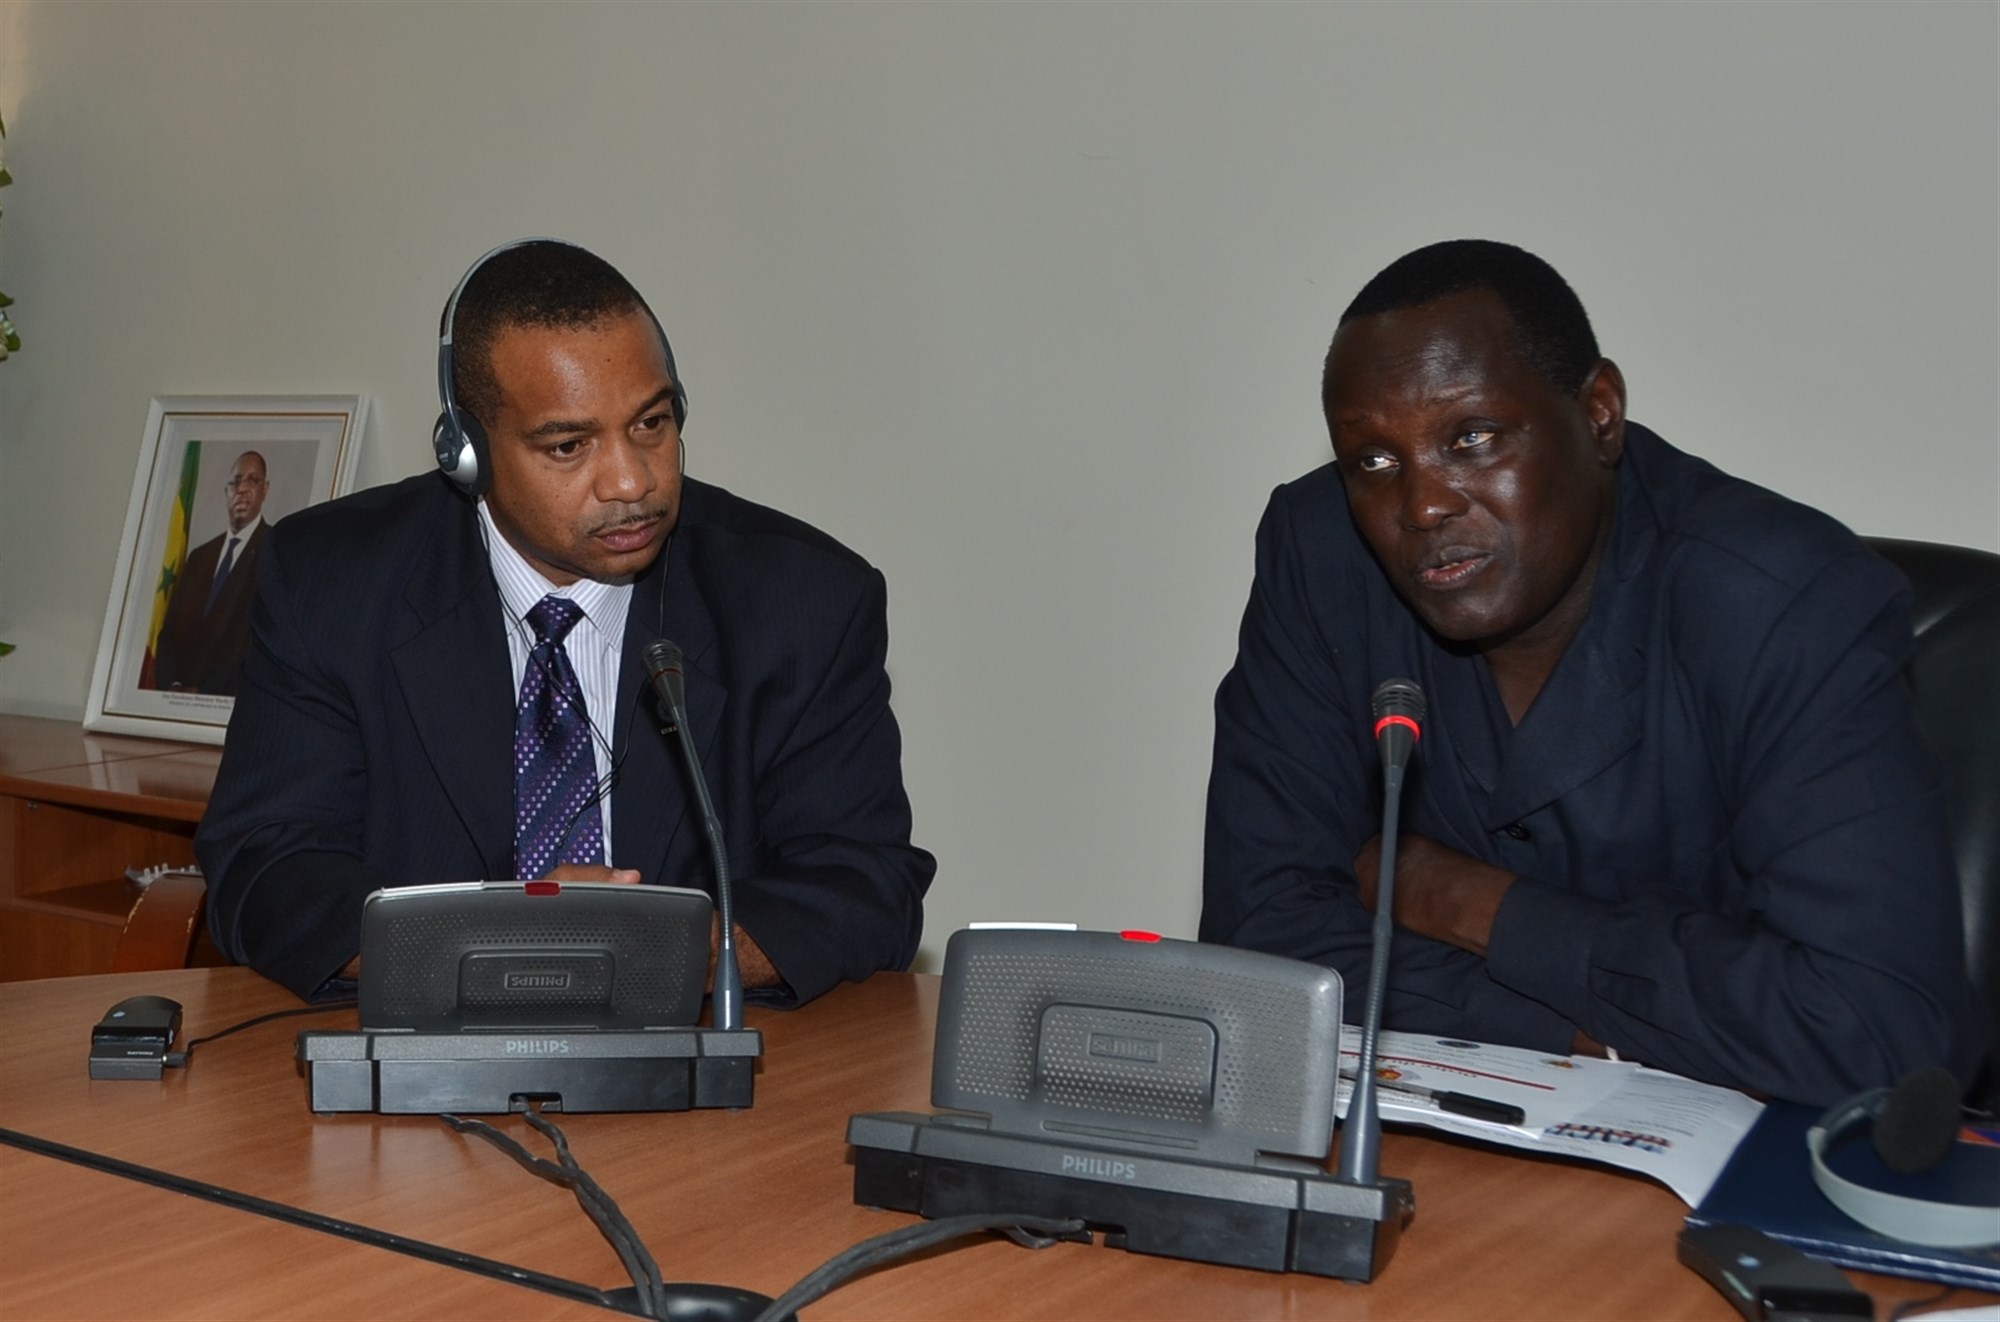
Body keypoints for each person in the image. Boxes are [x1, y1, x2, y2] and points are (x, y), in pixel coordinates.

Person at [1200, 239, 1980, 1106]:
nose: (1421, 504)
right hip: (1442, 1145)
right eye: (1375, 463)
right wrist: (1585, 1042)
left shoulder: (1782, 605)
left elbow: (1873, 1033)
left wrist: (1476, 906)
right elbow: (1256, 944)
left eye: (1473, 437)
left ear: (1600, 414)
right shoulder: (1321, 554)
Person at [197, 240, 935, 1005]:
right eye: (568, 445)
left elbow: (868, 888)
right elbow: (267, 867)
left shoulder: (803, 600)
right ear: (468, 453)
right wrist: (505, 946)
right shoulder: (330, 581)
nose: (632, 480)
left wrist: (648, 950)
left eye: (651, 423)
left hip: (699, 1073)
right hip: (425, 1061)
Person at [151, 449, 268, 694]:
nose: (242, 489)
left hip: (227, 703)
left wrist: (204, 693)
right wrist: (171, 685)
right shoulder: (199, 557)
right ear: (226, 493)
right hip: (173, 699)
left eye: (252, 480)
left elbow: (259, 643)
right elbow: (169, 632)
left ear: (265, 489)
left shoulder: (274, 552)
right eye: (235, 482)